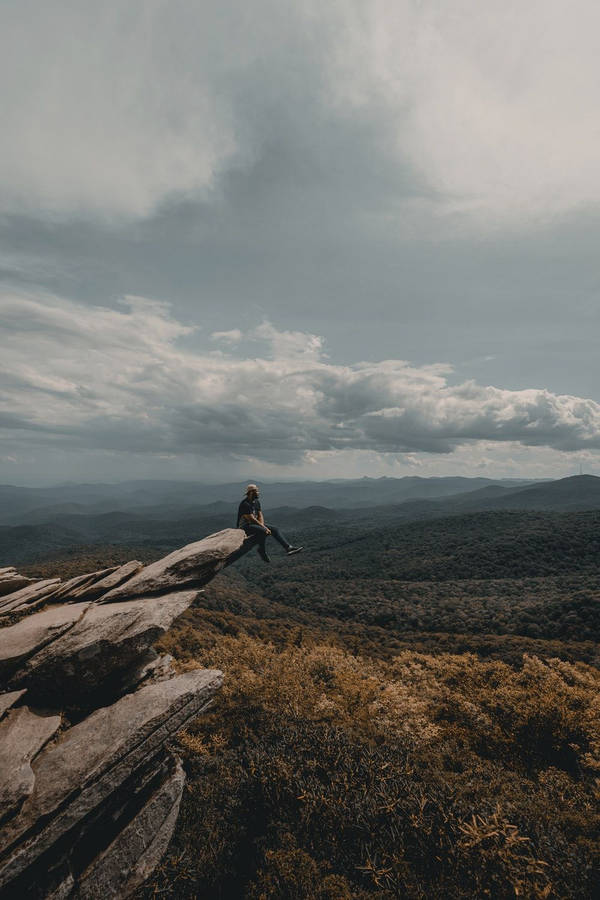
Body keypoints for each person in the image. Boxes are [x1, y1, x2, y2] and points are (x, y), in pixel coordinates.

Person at [237, 483, 303, 563]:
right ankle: (262, 550)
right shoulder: (245, 504)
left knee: (275, 529)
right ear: (251, 492)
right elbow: (251, 519)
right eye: (256, 491)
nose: (258, 493)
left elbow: (260, 515)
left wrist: (262, 525)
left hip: (254, 524)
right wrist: (264, 528)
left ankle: (288, 548)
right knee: (264, 532)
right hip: (245, 527)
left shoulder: (256, 502)